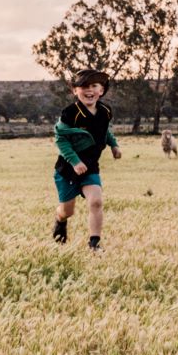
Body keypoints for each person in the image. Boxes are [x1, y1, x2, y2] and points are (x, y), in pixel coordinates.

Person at [51, 68, 120, 252]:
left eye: (94, 86)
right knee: (68, 211)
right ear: (75, 90)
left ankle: (94, 244)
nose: (89, 90)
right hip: (67, 169)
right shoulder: (70, 113)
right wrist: (74, 161)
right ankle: (60, 220)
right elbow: (60, 139)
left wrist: (114, 145)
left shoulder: (105, 111)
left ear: (101, 90)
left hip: (90, 167)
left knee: (96, 202)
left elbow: (103, 131)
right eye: (83, 86)